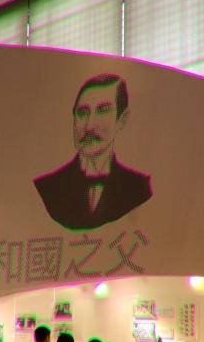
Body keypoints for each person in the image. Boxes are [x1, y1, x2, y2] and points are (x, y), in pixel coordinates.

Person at [33, 73, 153, 230]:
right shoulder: (47, 188)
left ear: (122, 119)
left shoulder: (138, 188)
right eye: (82, 113)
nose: (89, 126)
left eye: (103, 110)